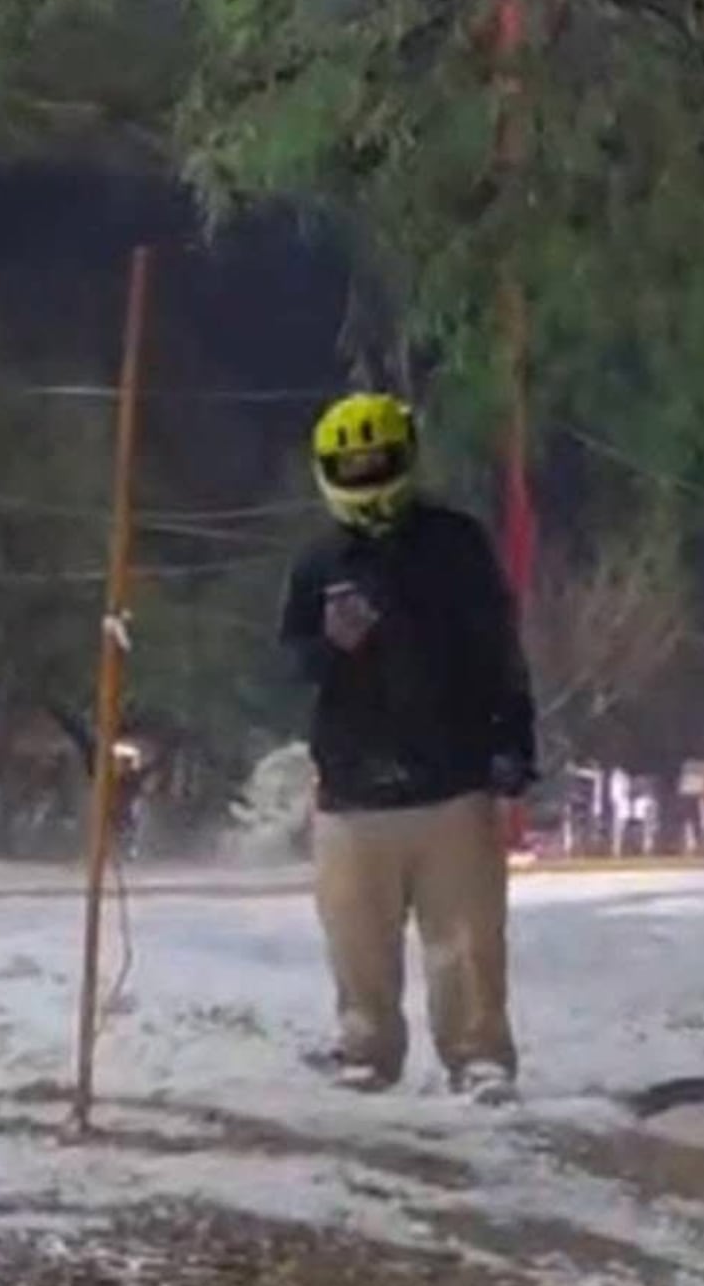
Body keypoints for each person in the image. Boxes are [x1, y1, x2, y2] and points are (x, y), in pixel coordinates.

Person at [277, 393, 538, 1101]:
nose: (365, 484)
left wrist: (513, 741)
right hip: (352, 791)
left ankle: (478, 1056)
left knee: (468, 941)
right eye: (350, 470)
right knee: (358, 942)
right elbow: (286, 669)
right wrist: (331, 646)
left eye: (376, 466)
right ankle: (366, 1051)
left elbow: (499, 650)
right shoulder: (317, 561)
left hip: (451, 781)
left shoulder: (456, 545)